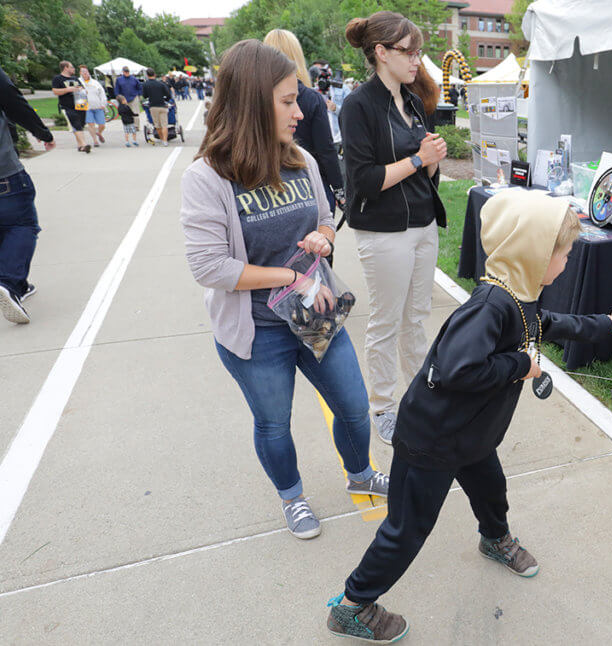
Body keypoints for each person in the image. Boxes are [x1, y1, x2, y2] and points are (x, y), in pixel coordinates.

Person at [324, 190, 612, 642]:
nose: (566, 262)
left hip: (471, 434)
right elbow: (456, 368)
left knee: (491, 490)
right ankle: (352, 605)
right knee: (407, 530)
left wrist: (601, 325)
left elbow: (544, 323)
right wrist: (521, 366)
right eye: (562, 253)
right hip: (432, 439)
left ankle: (495, 538)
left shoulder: (519, 295)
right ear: (533, 253)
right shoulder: (491, 305)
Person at [180, 39, 389, 540]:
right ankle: (292, 497)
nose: (300, 111)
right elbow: (209, 266)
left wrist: (325, 236)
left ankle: (360, 474)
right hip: (257, 334)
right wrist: (291, 278)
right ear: (252, 103)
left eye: (298, 99)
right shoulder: (206, 178)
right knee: (274, 425)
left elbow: (323, 218)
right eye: (287, 101)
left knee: (355, 409)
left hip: (316, 318)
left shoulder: (301, 161)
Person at [341, 11, 448, 444]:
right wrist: (419, 160)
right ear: (381, 53)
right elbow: (364, 179)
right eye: (409, 51)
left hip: (423, 224)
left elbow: (423, 174)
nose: (417, 60)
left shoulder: (412, 102)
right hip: (384, 232)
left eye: (419, 51)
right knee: (386, 322)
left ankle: (422, 396)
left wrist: (432, 162)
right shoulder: (358, 106)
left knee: (416, 318)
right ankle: (383, 407)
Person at [264, 30, 345, 215]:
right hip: (310, 183)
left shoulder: (258, 96)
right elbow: (325, 149)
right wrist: (339, 190)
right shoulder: (311, 98)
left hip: (269, 185)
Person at [0, 65, 55, 323]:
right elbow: (14, 103)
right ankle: (10, 284)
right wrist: (42, 132)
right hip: (4, 173)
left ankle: (16, 282)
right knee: (22, 224)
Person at [50, 61, 90, 153]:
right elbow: (55, 91)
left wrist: (81, 90)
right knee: (76, 123)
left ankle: (80, 146)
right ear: (65, 68)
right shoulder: (58, 79)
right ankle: (84, 145)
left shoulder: (75, 78)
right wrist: (68, 89)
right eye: (71, 67)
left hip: (80, 105)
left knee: (80, 125)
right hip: (67, 106)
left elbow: (83, 89)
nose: (73, 69)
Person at [142, 68, 172, 147]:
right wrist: (165, 99)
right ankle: (165, 141)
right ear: (154, 74)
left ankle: (162, 139)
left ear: (147, 75)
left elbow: (145, 95)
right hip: (162, 105)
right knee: (164, 124)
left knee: (157, 125)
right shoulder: (161, 84)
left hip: (153, 106)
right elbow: (168, 94)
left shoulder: (145, 84)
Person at [78, 66, 107, 147]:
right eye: (83, 71)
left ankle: (99, 133)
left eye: (86, 71)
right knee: (91, 124)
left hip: (98, 106)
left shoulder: (95, 82)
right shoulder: (78, 82)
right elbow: (76, 95)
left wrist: (103, 103)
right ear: (80, 73)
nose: (85, 73)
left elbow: (102, 93)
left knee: (102, 124)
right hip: (86, 107)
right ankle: (95, 141)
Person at [114, 67, 143, 131]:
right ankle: (128, 126)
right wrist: (117, 96)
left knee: (135, 112)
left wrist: (139, 94)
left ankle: (136, 126)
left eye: (128, 72)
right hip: (123, 98)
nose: (127, 73)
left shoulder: (134, 79)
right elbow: (117, 89)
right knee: (125, 113)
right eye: (125, 72)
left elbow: (139, 87)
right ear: (123, 72)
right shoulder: (119, 79)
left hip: (133, 97)